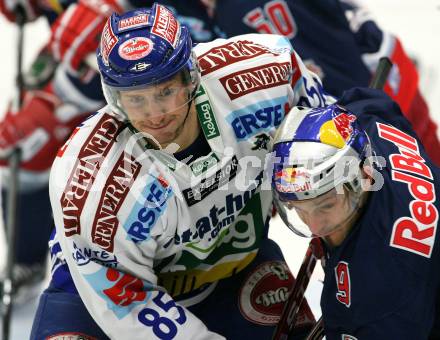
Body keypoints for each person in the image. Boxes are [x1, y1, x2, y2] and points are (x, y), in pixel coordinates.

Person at [30, 4, 336, 339]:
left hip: (232, 269)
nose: (155, 114)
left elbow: (330, 140)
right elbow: (127, 302)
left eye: (165, 91)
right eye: (136, 99)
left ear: (191, 76)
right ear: (113, 98)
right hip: (99, 298)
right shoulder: (90, 177)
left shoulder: (264, 74)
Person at [270, 87, 440, 338]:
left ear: (364, 177)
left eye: (326, 205)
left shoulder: (376, 293)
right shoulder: (369, 127)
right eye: (299, 208)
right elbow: (370, 101)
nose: (315, 227)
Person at [199, 0, 440, 165]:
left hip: (358, 102)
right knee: (424, 153)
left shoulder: (228, 17)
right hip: (382, 67)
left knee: (399, 175)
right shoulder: (228, 15)